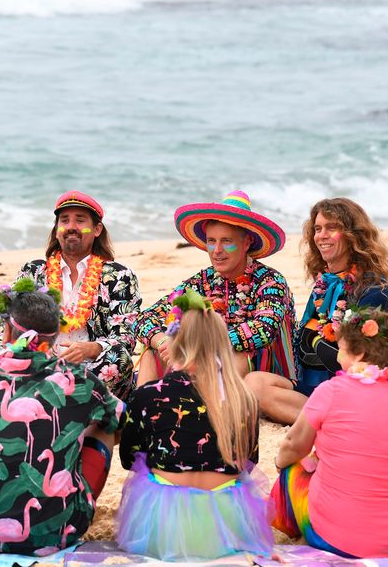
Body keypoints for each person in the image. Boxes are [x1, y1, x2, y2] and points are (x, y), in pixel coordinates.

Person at [0, 285, 122, 556]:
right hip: (58, 534)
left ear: (7, 331)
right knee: (104, 427)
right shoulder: (80, 382)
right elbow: (117, 420)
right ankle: (73, 500)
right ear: (55, 336)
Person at [117, 291, 273, 560]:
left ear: (174, 343)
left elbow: (129, 457)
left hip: (165, 523)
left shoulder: (148, 394)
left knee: (145, 471)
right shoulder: (243, 398)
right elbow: (251, 459)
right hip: (228, 523)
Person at [245, 198, 388, 424]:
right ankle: (325, 419)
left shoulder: (372, 290)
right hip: (312, 385)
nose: (322, 235)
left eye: (332, 228)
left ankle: (332, 423)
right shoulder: (326, 285)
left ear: (353, 235)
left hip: (350, 389)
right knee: (254, 383)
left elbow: (367, 364)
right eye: (318, 229)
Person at [0, 191, 141, 401]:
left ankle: (54, 400)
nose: (71, 226)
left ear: (97, 229)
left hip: (92, 367)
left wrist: (91, 349)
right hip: (40, 361)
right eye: (64, 220)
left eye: (80, 220)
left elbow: (126, 338)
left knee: (117, 360)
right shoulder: (33, 272)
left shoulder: (119, 276)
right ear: (56, 230)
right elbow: (9, 321)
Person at [134, 191, 294, 383]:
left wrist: (200, 344)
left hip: (263, 376)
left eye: (227, 241)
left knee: (238, 356)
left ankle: (215, 411)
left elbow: (264, 329)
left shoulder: (270, 281)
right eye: (211, 241)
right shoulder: (202, 281)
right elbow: (144, 318)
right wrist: (163, 340)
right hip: (206, 362)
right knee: (152, 352)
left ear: (247, 243)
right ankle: (141, 411)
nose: (217, 251)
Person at [270, 307, 388, 558]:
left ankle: (294, 530)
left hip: (333, 539)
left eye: (342, 349)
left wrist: (280, 463)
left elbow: (294, 445)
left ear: (360, 353)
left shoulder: (331, 391)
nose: (337, 358)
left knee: (294, 470)